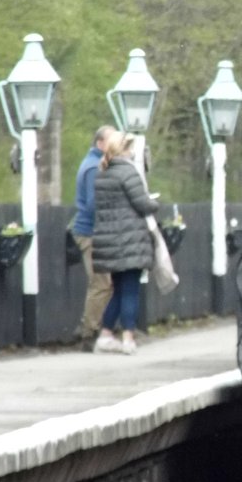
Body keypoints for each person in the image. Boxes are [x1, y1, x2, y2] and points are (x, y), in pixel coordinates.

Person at [91, 131, 159, 355]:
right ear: (122, 150)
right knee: (130, 289)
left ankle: (106, 334)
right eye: (128, 147)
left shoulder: (102, 174)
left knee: (118, 290)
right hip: (130, 240)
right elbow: (141, 203)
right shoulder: (127, 172)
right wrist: (154, 203)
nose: (131, 151)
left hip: (109, 241)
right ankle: (128, 337)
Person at [72, 125, 116, 351]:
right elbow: (93, 204)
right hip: (91, 232)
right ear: (100, 143)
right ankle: (88, 332)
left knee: (104, 283)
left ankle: (93, 328)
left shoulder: (94, 164)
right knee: (101, 283)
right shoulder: (93, 168)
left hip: (90, 231)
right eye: (112, 141)